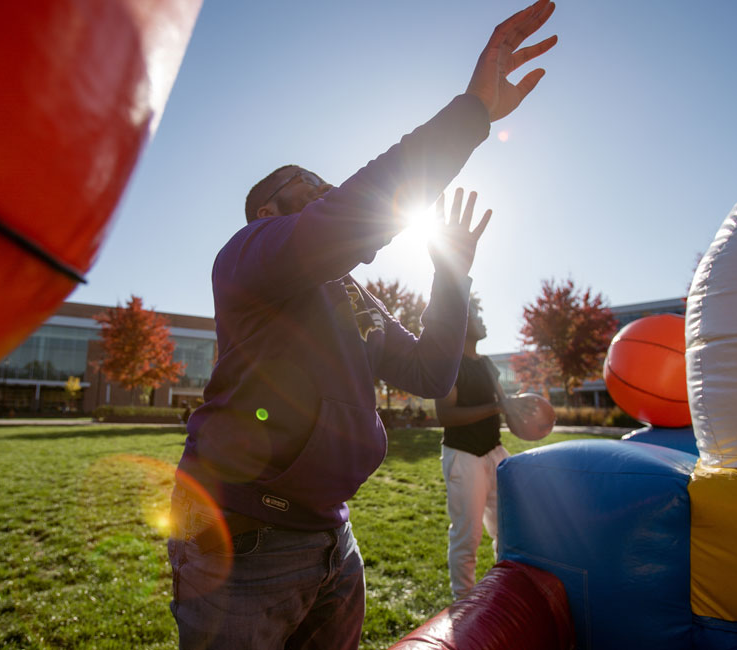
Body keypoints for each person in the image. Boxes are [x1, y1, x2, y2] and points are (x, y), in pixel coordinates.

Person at [168, 2, 557, 647]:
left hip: (330, 537)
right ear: (267, 209)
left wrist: (453, 272)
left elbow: (431, 371)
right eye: (310, 185)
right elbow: (342, 220)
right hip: (241, 540)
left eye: (330, 184)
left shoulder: (351, 295)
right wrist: (472, 114)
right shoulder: (250, 255)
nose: (327, 189)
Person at [435, 297, 510, 600]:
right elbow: (446, 415)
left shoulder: (488, 364)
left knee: (507, 531)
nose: (482, 320)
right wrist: (498, 407)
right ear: (462, 324)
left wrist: (529, 414)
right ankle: (463, 604)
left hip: (496, 453)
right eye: (477, 315)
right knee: (467, 537)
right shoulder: (449, 365)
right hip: (464, 457)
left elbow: (506, 407)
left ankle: (505, 591)